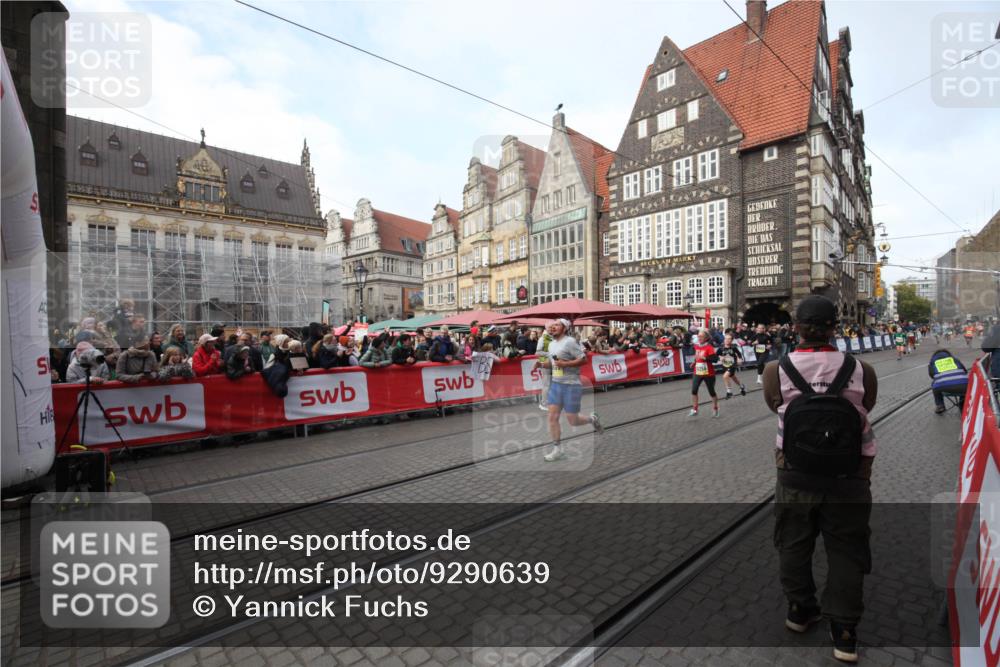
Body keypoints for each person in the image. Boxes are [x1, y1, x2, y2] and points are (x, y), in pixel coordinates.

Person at [763, 295, 877, 664]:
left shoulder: (774, 370)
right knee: (846, 550)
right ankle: (844, 631)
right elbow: (866, 408)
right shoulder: (861, 369)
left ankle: (800, 610)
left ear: (795, 328)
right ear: (835, 328)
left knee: (793, 544)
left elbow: (774, 405)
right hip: (849, 474)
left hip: (795, 473)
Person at [537, 319, 603, 462]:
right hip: (556, 384)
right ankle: (557, 450)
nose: (553, 327)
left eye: (557, 325)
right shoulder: (552, 344)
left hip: (571, 385)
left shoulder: (570, 342)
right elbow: (554, 363)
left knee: (573, 420)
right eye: (552, 326)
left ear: (565, 328)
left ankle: (592, 419)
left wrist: (565, 364)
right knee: (552, 417)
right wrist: (542, 364)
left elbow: (583, 359)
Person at [688, 328, 720, 417]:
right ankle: (695, 409)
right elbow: (697, 356)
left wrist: (705, 358)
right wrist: (694, 362)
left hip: (708, 373)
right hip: (697, 372)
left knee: (711, 392)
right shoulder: (696, 346)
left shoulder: (709, 347)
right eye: (698, 336)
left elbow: (715, 359)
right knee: (694, 390)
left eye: (701, 336)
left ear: (706, 338)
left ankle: (715, 408)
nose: (699, 338)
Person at [928, 349, 968, 414]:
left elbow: (932, 375)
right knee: (965, 383)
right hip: (964, 386)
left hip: (943, 387)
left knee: (934, 384)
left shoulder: (932, 362)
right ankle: (962, 404)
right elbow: (965, 371)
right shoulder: (955, 360)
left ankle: (940, 405)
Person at [719, 333, 747, 399]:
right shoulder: (721, 348)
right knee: (733, 377)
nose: (727, 340)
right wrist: (720, 357)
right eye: (726, 338)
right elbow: (716, 355)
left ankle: (729, 392)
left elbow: (739, 354)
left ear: (731, 340)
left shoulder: (734, 347)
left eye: (729, 339)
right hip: (725, 365)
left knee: (725, 376)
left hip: (732, 365)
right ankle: (741, 386)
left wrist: (739, 359)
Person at [536, 328, 553, 411]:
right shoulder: (542, 338)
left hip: (553, 363)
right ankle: (543, 404)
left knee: (553, 384)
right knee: (546, 384)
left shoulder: (553, 338)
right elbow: (537, 352)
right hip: (545, 363)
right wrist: (549, 354)